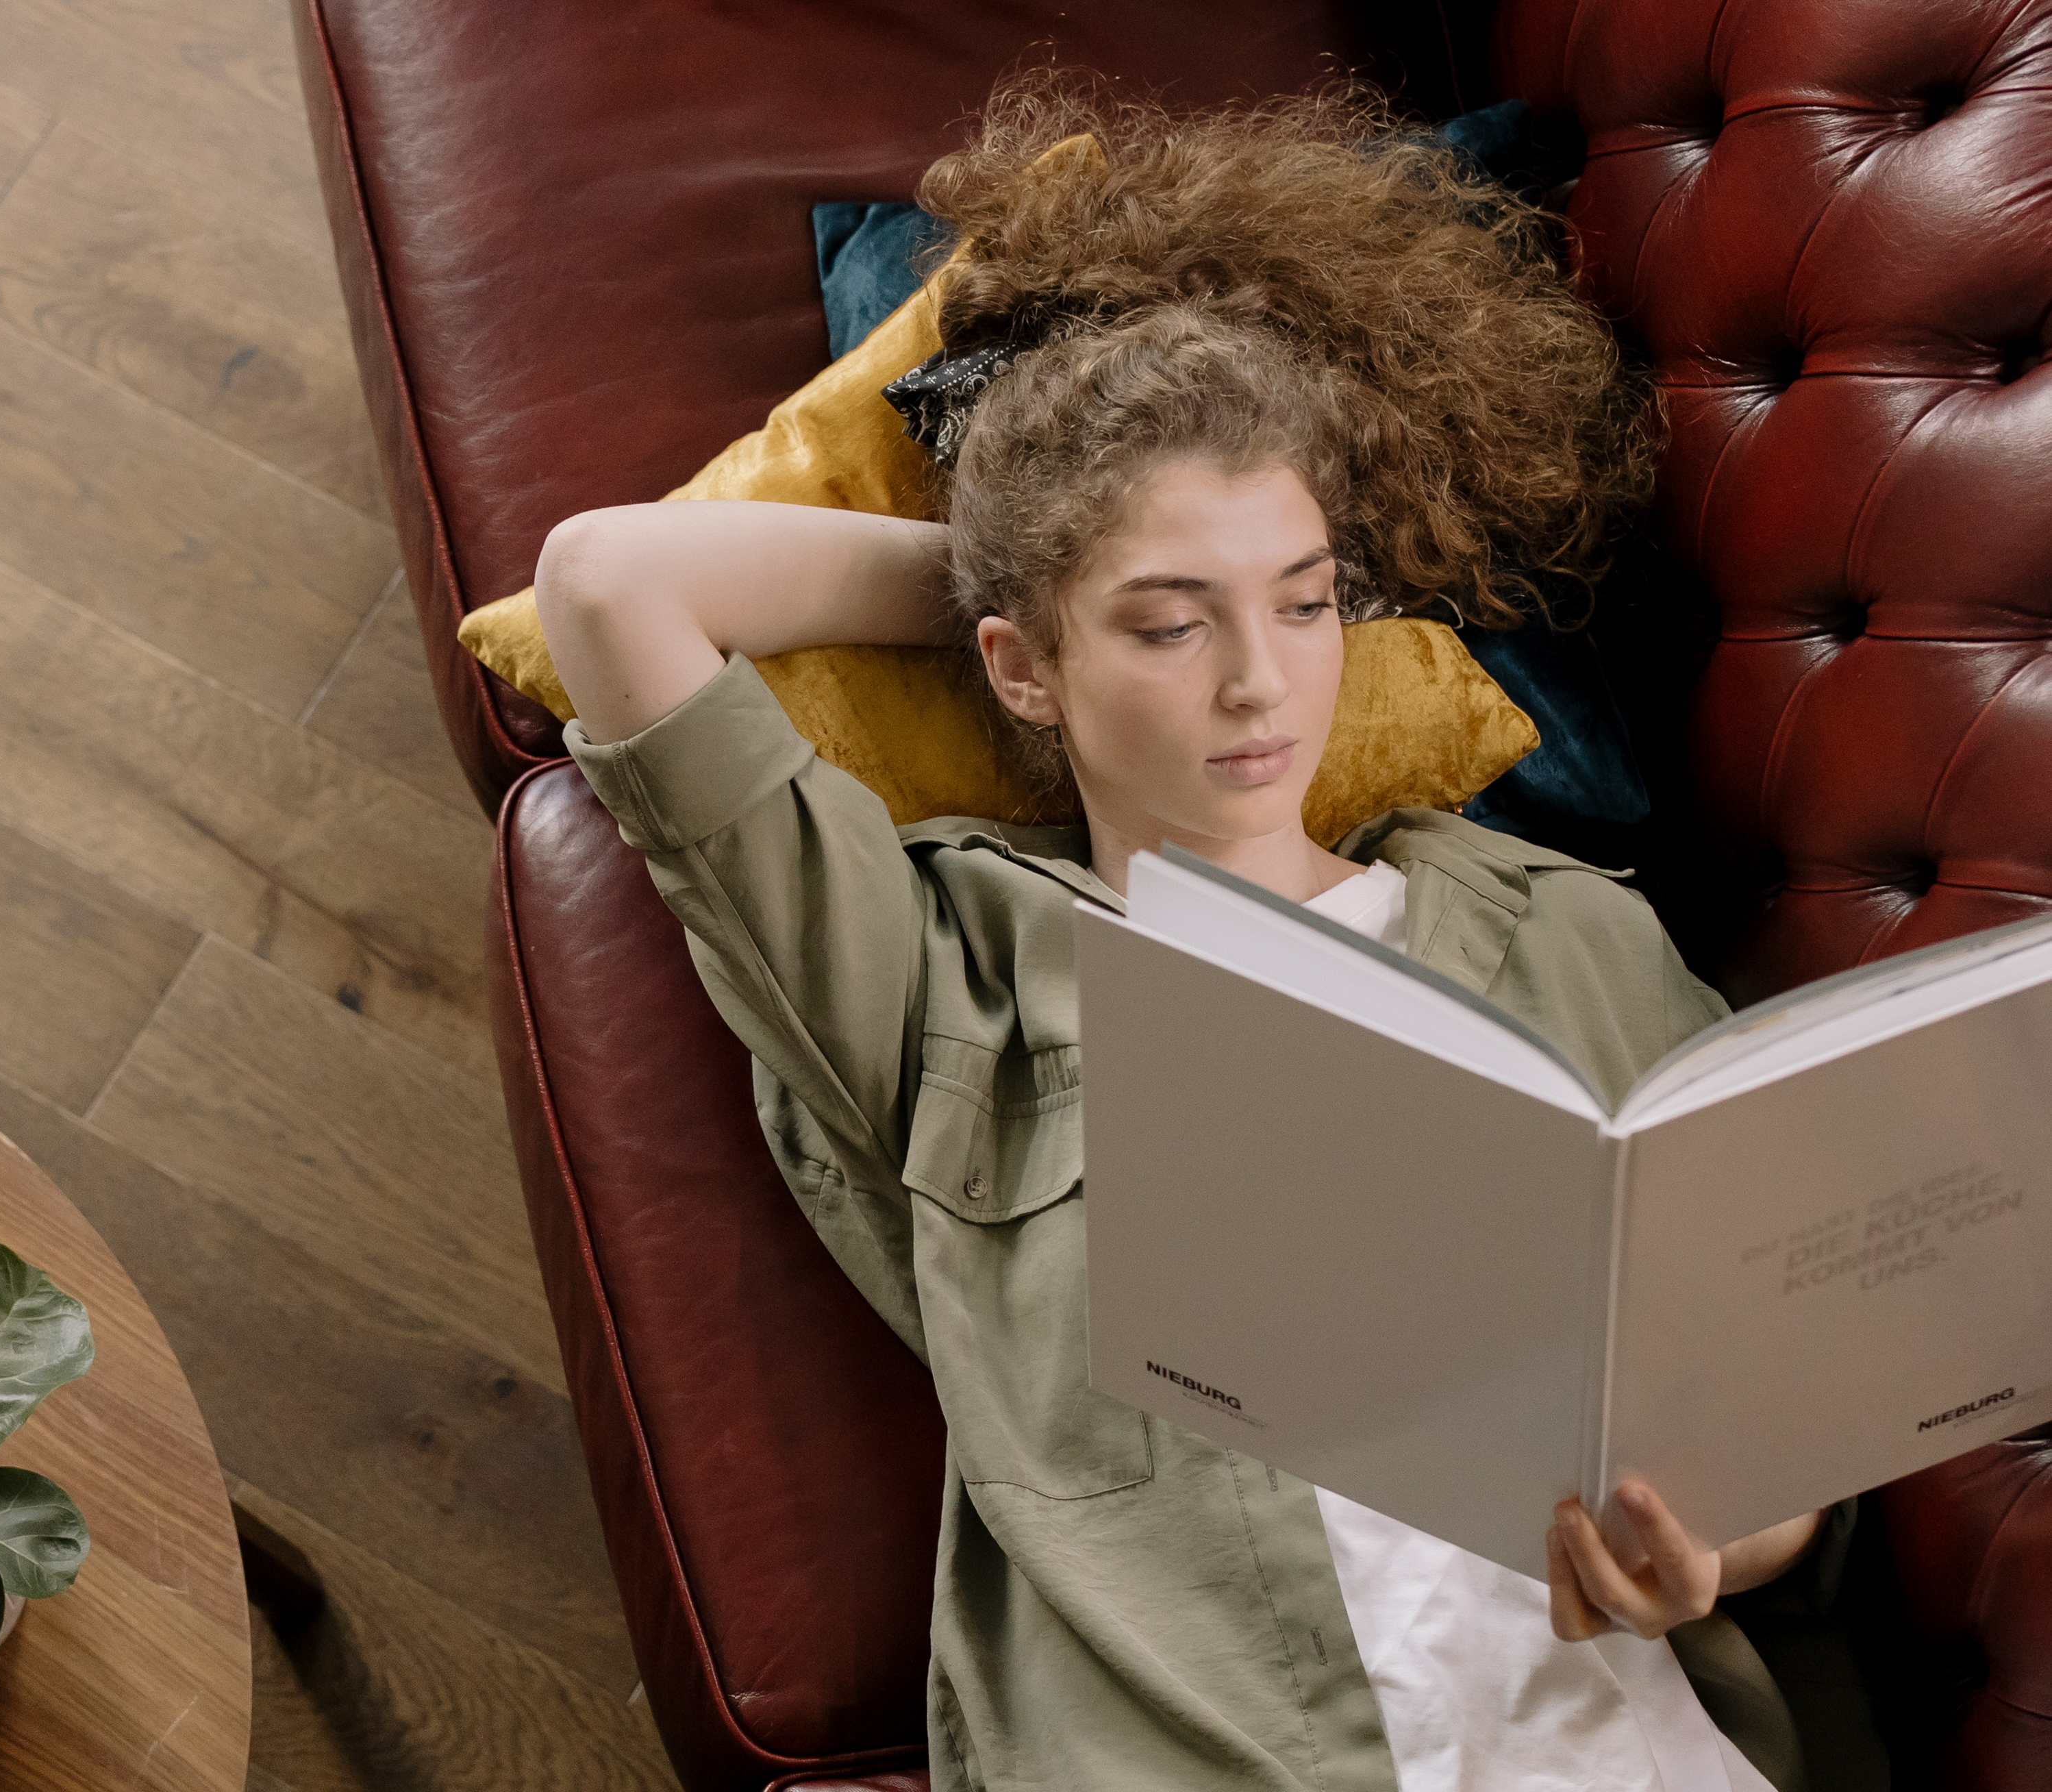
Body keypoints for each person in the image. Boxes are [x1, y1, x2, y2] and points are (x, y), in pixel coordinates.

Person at [531, 82, 1866, 1792]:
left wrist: (1711, 1554)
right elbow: (608, 586)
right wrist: (1015, 570)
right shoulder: (952, 977)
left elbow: (1770, 1431)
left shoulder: (1565, 935)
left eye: (1307, 602)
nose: (1260, 681)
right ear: (1021, 666)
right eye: (1175, 626)